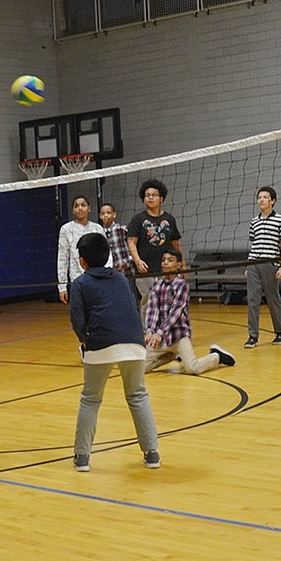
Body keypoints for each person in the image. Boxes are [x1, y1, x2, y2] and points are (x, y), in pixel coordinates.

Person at [67, 233, 160, 472]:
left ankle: (82, 457)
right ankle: (152, 454)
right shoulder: (121, 279)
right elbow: (131, 307)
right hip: (135, 343)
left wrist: (85, 342)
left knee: (90, 399)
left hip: (100, 344)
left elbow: (78, 321)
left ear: (82, 261)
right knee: (138, 395)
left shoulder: (79, 284)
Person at [145, 248, 236, 375]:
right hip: (162, 339)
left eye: (170, 260)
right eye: (163, 260)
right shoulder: (156, 286)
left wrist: (159, 332)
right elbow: (152, 310)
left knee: (193, 368)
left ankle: (217, 356)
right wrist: (150, 331)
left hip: (178, 335)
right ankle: (171, 355)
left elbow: (175, 312)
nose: (165, 263)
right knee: (141, 369)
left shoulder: (182, 285)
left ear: (178, 265)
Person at [126, 178, 183, 312]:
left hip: (167, 268)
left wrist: (182, 264)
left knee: (169, 302)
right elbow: (131, 243)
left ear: (161, 199)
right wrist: (138, 261)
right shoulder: (138, 219)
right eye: (147, 195)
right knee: (148, 303)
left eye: (154, 195)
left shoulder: (169, 219)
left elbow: (176, 243)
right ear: (144, 199)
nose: (150, 197)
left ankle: (165, 331)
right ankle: (147, 332)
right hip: (146, 269)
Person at [244, 186, 281, 348]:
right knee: (252, 299)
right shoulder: (254, 222)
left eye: (265, 197)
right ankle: (253, 336)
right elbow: (254, 244)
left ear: (273, 201)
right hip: (253, 263)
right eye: (259, 197)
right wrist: (249, 265)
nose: (261, 200)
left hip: (270, 263)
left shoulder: (280, 220)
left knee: (273, 298)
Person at [57, 195, 105, 303]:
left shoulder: (97, 228)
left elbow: (107, 254)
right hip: (77, 280)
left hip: (98, 278)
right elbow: (62, 259)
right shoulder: (66, 229)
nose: (80, 208)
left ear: (89, 208)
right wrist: (62, 287)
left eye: (83, 205)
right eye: (76, 206)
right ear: (73, 211)